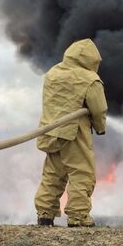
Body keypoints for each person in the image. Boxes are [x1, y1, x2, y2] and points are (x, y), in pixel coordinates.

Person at [34, 39, 107, 227]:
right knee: (81, 173)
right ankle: (78, 217)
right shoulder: (90, 79)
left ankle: (45, 215)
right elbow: (98, 109)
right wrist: (100, 127)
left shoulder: (53, 73)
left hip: (50, 131)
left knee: (52, 175)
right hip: (74, 133)